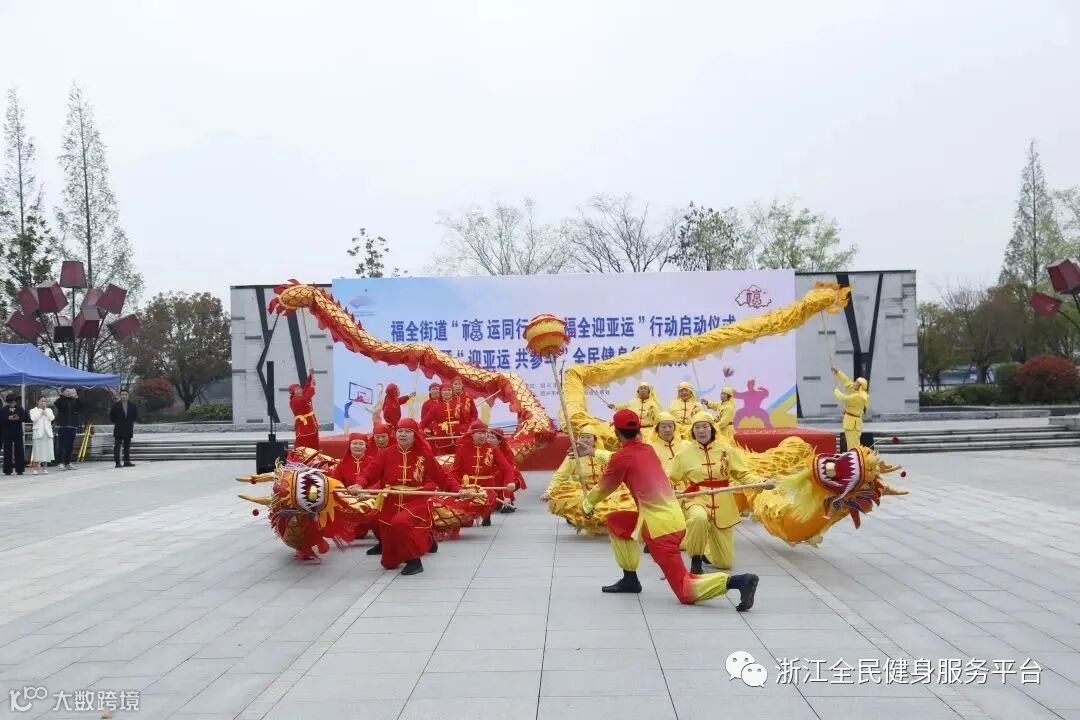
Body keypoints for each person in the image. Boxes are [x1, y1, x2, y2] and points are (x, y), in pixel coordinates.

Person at [576, 409, 761, 610]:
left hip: (659, 530)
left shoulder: (624, 458)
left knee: (684, 590)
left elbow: (604, 487)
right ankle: (630, 579)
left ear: (617, 434)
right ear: (639, 430)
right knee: (617, 522)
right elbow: (620, 458)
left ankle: (737, 582)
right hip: (669, 520)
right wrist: (593, 452)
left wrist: (586, 505)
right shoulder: (647, 450)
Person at [356, 418, 467, 575]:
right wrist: (359, 485)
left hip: (415, 499)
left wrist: (458, 489)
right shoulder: (386, 454)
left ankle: (415, 561)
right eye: (400, 431)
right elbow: (369, 472)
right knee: (389, 563)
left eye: (407, 432)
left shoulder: (424, 455)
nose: (403, 434)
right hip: (391, 501)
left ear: (415, 435)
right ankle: (428, 541)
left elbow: (443, 477)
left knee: (400, 522)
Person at [669, 412, 767, 575]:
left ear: (712, 429)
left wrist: (761, 482)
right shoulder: (684, 454)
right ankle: (696, 559)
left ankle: (707, 551)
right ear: (692, 431)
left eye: (705, 427)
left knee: (725, 564)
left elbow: (743, 474)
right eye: (697, 427)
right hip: (696, 497)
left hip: (723, 502)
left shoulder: (727, 451)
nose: (701, 431)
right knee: (698, 519)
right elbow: (671, 478)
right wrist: (657, 489)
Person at [451, 420, 515, 526]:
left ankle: (486, 515)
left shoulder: (492, 448)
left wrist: (510, 481)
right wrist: (458, 488)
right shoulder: (462, 448)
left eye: (485, 433)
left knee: (489, 504)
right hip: (468, 487)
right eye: (480, 433)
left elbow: (507, 468)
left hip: (487, 487)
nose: (483, 436)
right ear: (472, 434)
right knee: (467, 524)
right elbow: (455, 471)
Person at [488, 427, 526, 513]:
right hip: (492, 476)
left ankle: (507, 500)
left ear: (499, 441)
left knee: (498, 474)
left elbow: (508, 471)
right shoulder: (484, 448)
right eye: (488, 437)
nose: (489, 439)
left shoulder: (506, 452)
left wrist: (506, 496)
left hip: (509, 477)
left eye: (492, 438)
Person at [832, 367, 869, 450]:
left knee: (853, 445)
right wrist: (838, 373)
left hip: (852, 424)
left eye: (856, 383)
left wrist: (836, 391)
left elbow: (844, 398)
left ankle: (855, 457)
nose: (854, 383)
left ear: (860, 386)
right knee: (851, 444)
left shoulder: (858, 396)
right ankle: (853, 456)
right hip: (851, 422)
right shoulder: (857, 391)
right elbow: (847, 382)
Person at [421, 383, 459, 453]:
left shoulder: (458, 404)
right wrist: (420, 431)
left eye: (449, 390)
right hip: (442, 437)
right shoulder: (436, 407)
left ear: (452, 392)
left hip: (458, 437)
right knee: (443, 457)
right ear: (441, 392)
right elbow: (424, 422)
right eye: (444, 390)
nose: (447, 392)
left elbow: (466, 421)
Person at [289, 369, 320, 451]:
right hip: (303, 426)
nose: (299, 390)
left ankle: (315, 455)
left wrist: (310, 376)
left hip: (311, 424)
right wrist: (312, 387)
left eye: (299, 388)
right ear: (293, 393)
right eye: (296, 390)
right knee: (305, 445)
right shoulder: (294, 400)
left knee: (314, 443)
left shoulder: (301, 395)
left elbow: (306, 388)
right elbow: (306, 398)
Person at [53, 388, 82, 470]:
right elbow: (59, 405)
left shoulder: (74, 401)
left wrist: (77, 398)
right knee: (62, 445)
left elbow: (80, 407)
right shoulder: (60, 400)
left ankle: (68, 462)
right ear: (63, 392)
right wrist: (64, 397)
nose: (69, 393)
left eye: (70, 392)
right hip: (63, 426)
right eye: (67, 391)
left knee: (70, 446)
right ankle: (60, 462)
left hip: (72, 425)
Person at [2, 395, 30, 476]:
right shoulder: (3, 410)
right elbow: (1, 419)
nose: (12, 404)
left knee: (19, 450)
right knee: (7, 451)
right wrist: (8, 418)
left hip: (18, 432)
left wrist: (19, 418)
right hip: (7, 433)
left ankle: (20, 469)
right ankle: (7, 470)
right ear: (8, 402)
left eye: (14, 402)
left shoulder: (20, 409)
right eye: (10, 402)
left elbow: (27, 418)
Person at [109, 389, 138, 468]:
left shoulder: (132, 406)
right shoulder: (116, 406)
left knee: (127, 446)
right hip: (119, 429)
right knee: (117, 446)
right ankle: (117, 462)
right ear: (120, 396)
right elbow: (112, 417)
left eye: (126, 394)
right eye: (122, 394)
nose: (124, 396)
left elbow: (134, 416)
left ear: (128, 396)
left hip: (128, 428)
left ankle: (126, 461)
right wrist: (118, 422)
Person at [29, 397, 55, 475]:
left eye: (45, 401)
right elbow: (33, 419)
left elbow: (52, 418)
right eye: (41, 401)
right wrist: (40, 411)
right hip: (38, 433)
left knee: (46, 450)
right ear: (38, 402)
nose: (43, 402)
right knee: (37, 450)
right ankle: (36, 468)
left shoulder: (49, 410)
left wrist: (45, 411)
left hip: (47, 432)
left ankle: (45, 468)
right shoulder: (33, 410)